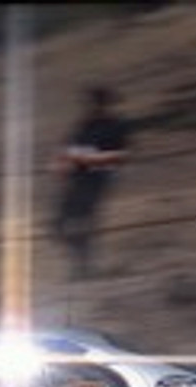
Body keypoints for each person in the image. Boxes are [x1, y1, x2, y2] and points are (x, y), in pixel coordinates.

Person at [53, 86, 131, 281]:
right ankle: (82, 266)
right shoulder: (83, 125)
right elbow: (68, 149)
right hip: (76, 180)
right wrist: (65, 162)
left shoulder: (115, 126)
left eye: (94, 102)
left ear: (104, 103)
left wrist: (89, 159)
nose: (90, 106)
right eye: (88, 102)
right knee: (58, 225)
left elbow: (120, 156)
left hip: (96, 181)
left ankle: (82, 269)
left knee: (83, 223)